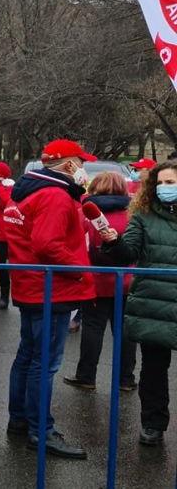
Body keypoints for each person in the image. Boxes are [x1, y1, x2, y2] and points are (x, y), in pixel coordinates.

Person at [2, 138, 96, 459]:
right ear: (69, 165)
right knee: (45, 364)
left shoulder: (30, 189)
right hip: (51, 289)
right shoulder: (55, 195)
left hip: (32, 286)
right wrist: (81, 271)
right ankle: (40, 431)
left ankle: (19, 421)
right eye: (81, 163)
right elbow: (46, 244)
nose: (84, 169)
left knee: (28, 356)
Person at [99, 159, 177, 447]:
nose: (163, 188)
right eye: (159, 183)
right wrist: (112, 241)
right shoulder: (143, 215)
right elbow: (127, 252)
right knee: (154, 368)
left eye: (170, 183)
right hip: (154, 302)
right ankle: (153, 424)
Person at [62, 172, 136, 393]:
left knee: (93, 329)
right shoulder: (132, 214)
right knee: (124, 331)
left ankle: (86, 376)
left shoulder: (85, 213)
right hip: (126, 280)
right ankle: (126, 379)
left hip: (95, 279)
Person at [0, 161, 15, 309]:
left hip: (3, 235)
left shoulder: (9, 188)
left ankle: (4, 297)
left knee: (2, 267)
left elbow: (6, 203)